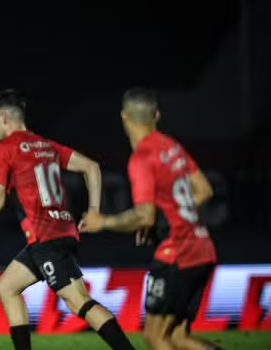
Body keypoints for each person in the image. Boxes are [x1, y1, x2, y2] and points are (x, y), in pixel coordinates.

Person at [0, 89, 135, 350]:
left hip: (46, 238)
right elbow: (91, 166)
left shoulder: (3, 149)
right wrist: (94, 210)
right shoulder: (45, 145)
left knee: (78, 302)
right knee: (7, 287)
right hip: (59, 232)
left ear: (4, 117)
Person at [79, 87, 221, 350]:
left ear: (123, 117)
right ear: (156, 115)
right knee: (178, 338)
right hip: (202, 248)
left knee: (155, 337)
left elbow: (144, 216)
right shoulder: (172, 147)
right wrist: (163, 216)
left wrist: (103, 222)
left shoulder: (142, 158)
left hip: (176, 254)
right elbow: (204, 190)